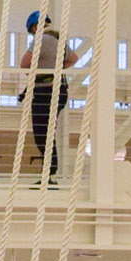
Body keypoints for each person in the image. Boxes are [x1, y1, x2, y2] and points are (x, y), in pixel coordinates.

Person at [19, 10, 78, 176]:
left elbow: (24, 64)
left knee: (41, 133)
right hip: (60, 89)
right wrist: (57, 70)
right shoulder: (59, 39)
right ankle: (50, 173)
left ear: (34, 28)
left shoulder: (40, 40)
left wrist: (39, 72)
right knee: (49, 131)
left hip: (44, 91)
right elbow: (74, 58)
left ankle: (50, 172)